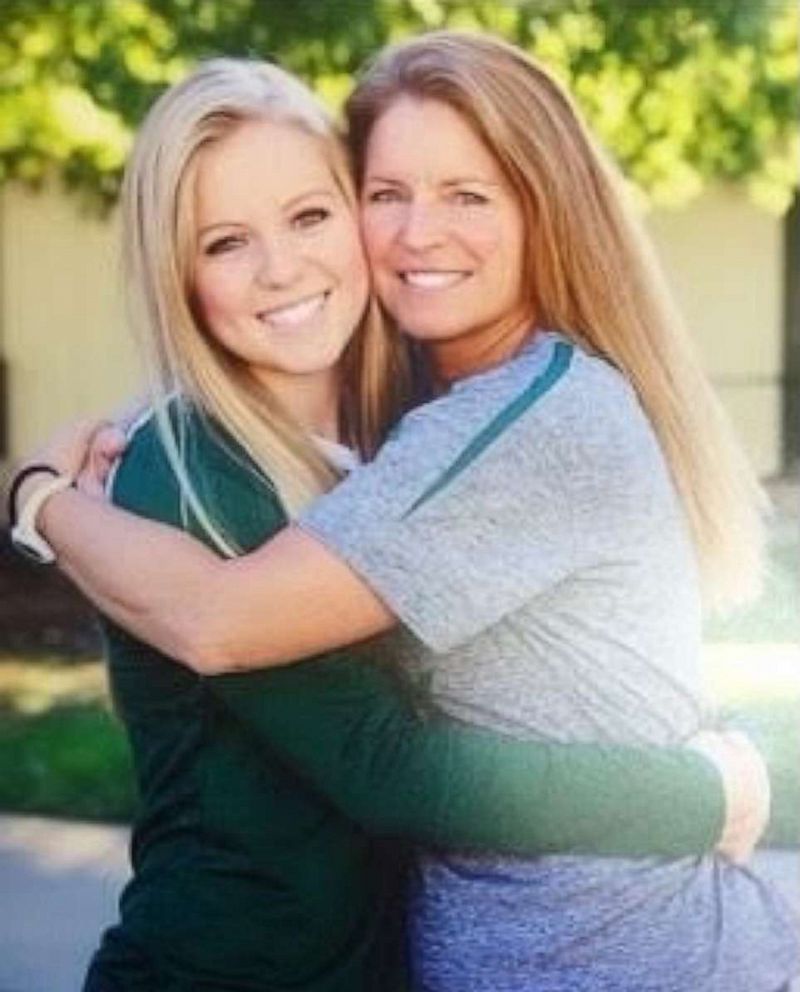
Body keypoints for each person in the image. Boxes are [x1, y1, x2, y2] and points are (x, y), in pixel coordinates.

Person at [9, 34, 797, 992]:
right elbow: (384, 761)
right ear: (180, 275)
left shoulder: (450, 430)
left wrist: (38, 497)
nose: (281, 267)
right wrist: (38, 498)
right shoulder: (193, 475)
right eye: (224, 242)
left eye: (310, 215)